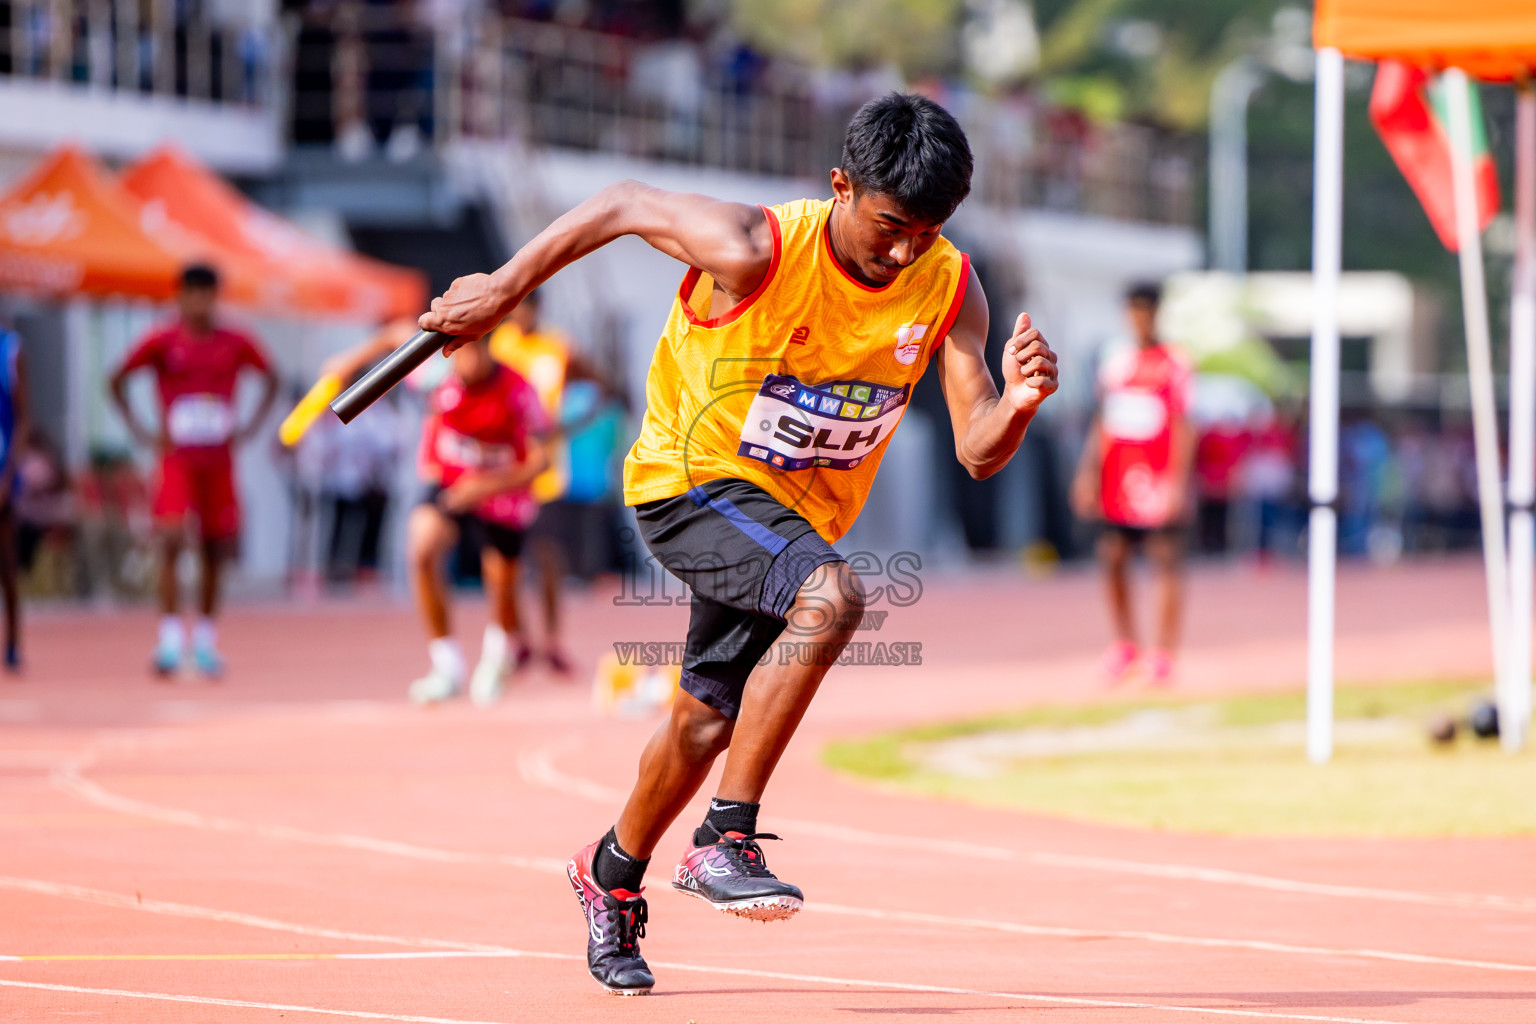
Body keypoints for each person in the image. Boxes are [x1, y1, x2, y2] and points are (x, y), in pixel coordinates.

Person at [418, 93, 1059, 995]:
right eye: (890, 225)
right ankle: (727, 835)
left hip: (784, 524)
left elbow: (977, 450)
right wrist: (502, 289)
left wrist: (1022, 405)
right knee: (833, 599)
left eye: (929, 229)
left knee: (703, 721)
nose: (907, 249)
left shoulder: (951, 285)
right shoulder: (754, 247)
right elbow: (621, 203)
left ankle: (608, 878)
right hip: (690, 483)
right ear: (841, 186)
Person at [322, 318, 551, 705]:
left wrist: (485, 486)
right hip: (448, 481)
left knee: (501, 577)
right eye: (458, 353)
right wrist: (350, 361)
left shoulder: (518, 390)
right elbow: (398, 333)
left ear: (488, 347)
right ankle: (445, 664)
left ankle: (499, 655)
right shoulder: (437, 376)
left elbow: (540, 462)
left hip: (502, 488)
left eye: (472, 352)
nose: (464, 362)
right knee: (422, 544)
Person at [109, 264, 278, 679]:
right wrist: (143, 430)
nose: (200, 303)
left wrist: (250, 427)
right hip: (177, 459)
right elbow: (117, 380)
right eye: (193, 294)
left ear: (216, 297)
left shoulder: (236, 340)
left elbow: (271, 378)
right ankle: (168, 640)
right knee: (169, 537)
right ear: (181, 296)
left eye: (208, 294)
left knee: (215, 548)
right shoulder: (161, 340)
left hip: (218, 460)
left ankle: (204, 641)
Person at [1071, 282, 1194, 686]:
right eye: (1134, 313)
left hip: (1157, 474)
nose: (1140, 320)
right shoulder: (1115, 359)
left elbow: (1183, 424)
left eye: (1147, 312)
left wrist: (1178, 481)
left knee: (1165, 557)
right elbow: (1102, 420)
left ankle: (1163, 652)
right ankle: (1126, 645)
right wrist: (1088, 472)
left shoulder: (1175, 362)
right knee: (1113, 555)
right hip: (1118, 474)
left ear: (1157, 314)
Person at [489, 289, 610, 673]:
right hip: (504, 468)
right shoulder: (498, 345)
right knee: (504, 558)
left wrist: (565, 427)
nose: (518, 316)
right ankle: (515, 638)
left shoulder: (558, 347)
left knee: (547, 555)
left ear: (536, 309)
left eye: (524, 309)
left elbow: (600, 388)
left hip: (544, 469)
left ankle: (552, 639)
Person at [0, 324, 29, 670]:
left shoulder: (10, 349)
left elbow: (24, 418)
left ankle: (13, 642)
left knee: (6, 560)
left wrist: (8, 477)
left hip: (3, 471)